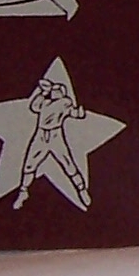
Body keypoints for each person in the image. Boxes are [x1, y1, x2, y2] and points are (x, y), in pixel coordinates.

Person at [15, 75, 90, 209]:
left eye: (56, 90)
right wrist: (43, 92)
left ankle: (81, 189)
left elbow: (73, 112)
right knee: (29, 165)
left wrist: (79, 113)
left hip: (56, 136)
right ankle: (23, 191)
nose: (54, 92)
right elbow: (34, 107)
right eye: (53, 90)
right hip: (41, 135)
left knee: (68, 163)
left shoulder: (64, 102)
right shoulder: (45, 102)